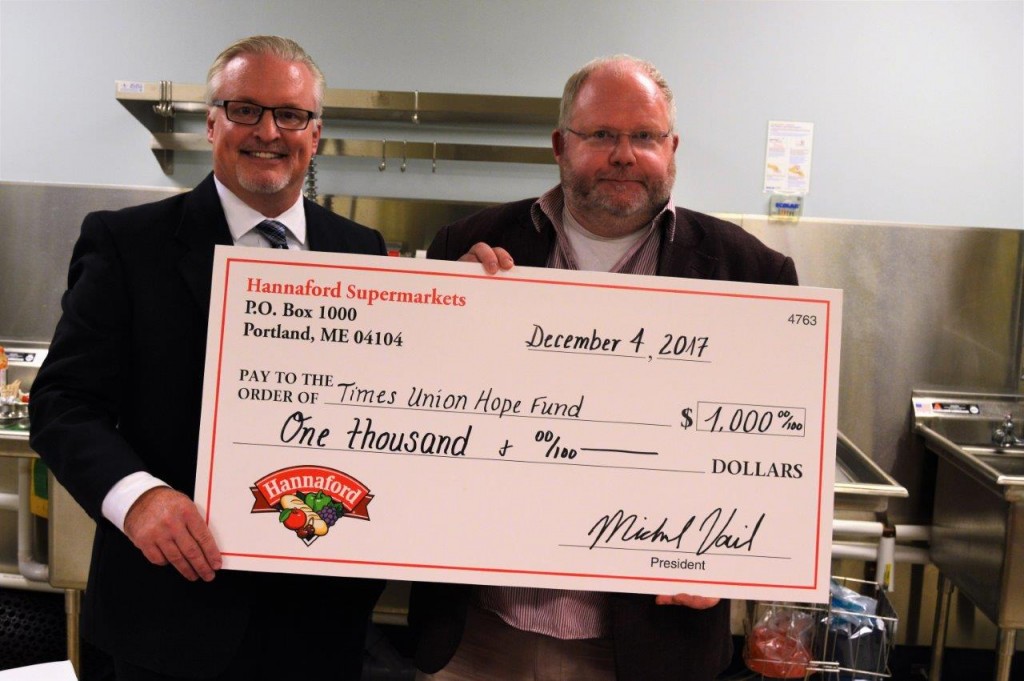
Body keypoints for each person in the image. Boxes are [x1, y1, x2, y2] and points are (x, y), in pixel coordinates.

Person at [409, 55, 798, 681]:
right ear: (561, 145)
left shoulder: (753, 273)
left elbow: (772, 456)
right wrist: (442, 311)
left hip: (648, 647)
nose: (625, 154)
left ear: (672, 148)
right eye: (602, 135)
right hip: (478, 636)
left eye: (644, 136)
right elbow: (413, 416)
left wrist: (737, 565)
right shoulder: (467, 248)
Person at [29, 36, 387, 680]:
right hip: (168, 617)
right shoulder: (125, 242)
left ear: (317, 131)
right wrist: (136, 498)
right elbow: (63, 404)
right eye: (244, 109)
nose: (268, 131)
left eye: (291, 114)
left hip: (319, 624)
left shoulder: (362, 250)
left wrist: (474, 307)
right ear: (211, 120)